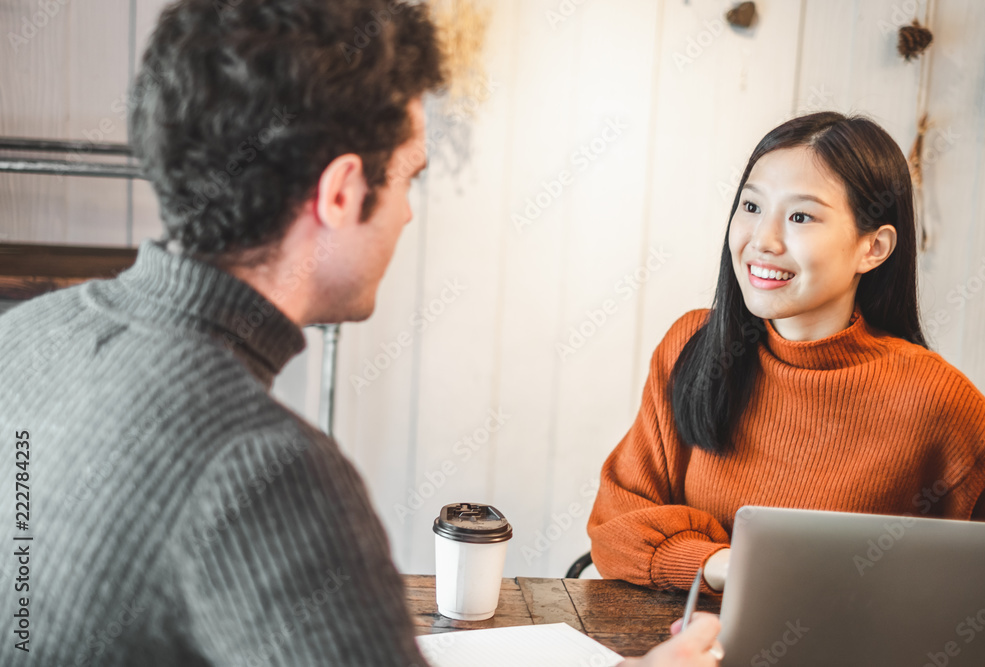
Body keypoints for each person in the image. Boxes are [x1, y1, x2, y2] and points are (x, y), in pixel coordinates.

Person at [0, 0, 720, 664]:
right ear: (341, 192)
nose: (408, 213)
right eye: (409, 177)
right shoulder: (267, 469)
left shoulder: (21, 336)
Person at [587, 112, 985, 595]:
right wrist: (723, 565)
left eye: (800, 216)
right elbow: (615, 528)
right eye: (751, 206)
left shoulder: (936, 400)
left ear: (874, 247)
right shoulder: (693, 344)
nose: (763, 240)